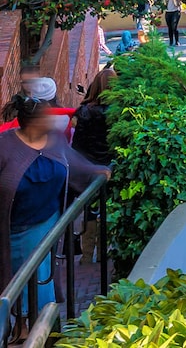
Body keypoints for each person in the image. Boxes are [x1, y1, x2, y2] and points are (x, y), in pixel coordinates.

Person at [0, 78, 108, 313]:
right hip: (17, 231)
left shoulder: (54, 140)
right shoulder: (5, 146)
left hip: (48, 224)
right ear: (30, 123)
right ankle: (26, 326)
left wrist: (97, 171)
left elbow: (73, 162)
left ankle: (37, 323)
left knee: (43, 284)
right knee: (24, 288)